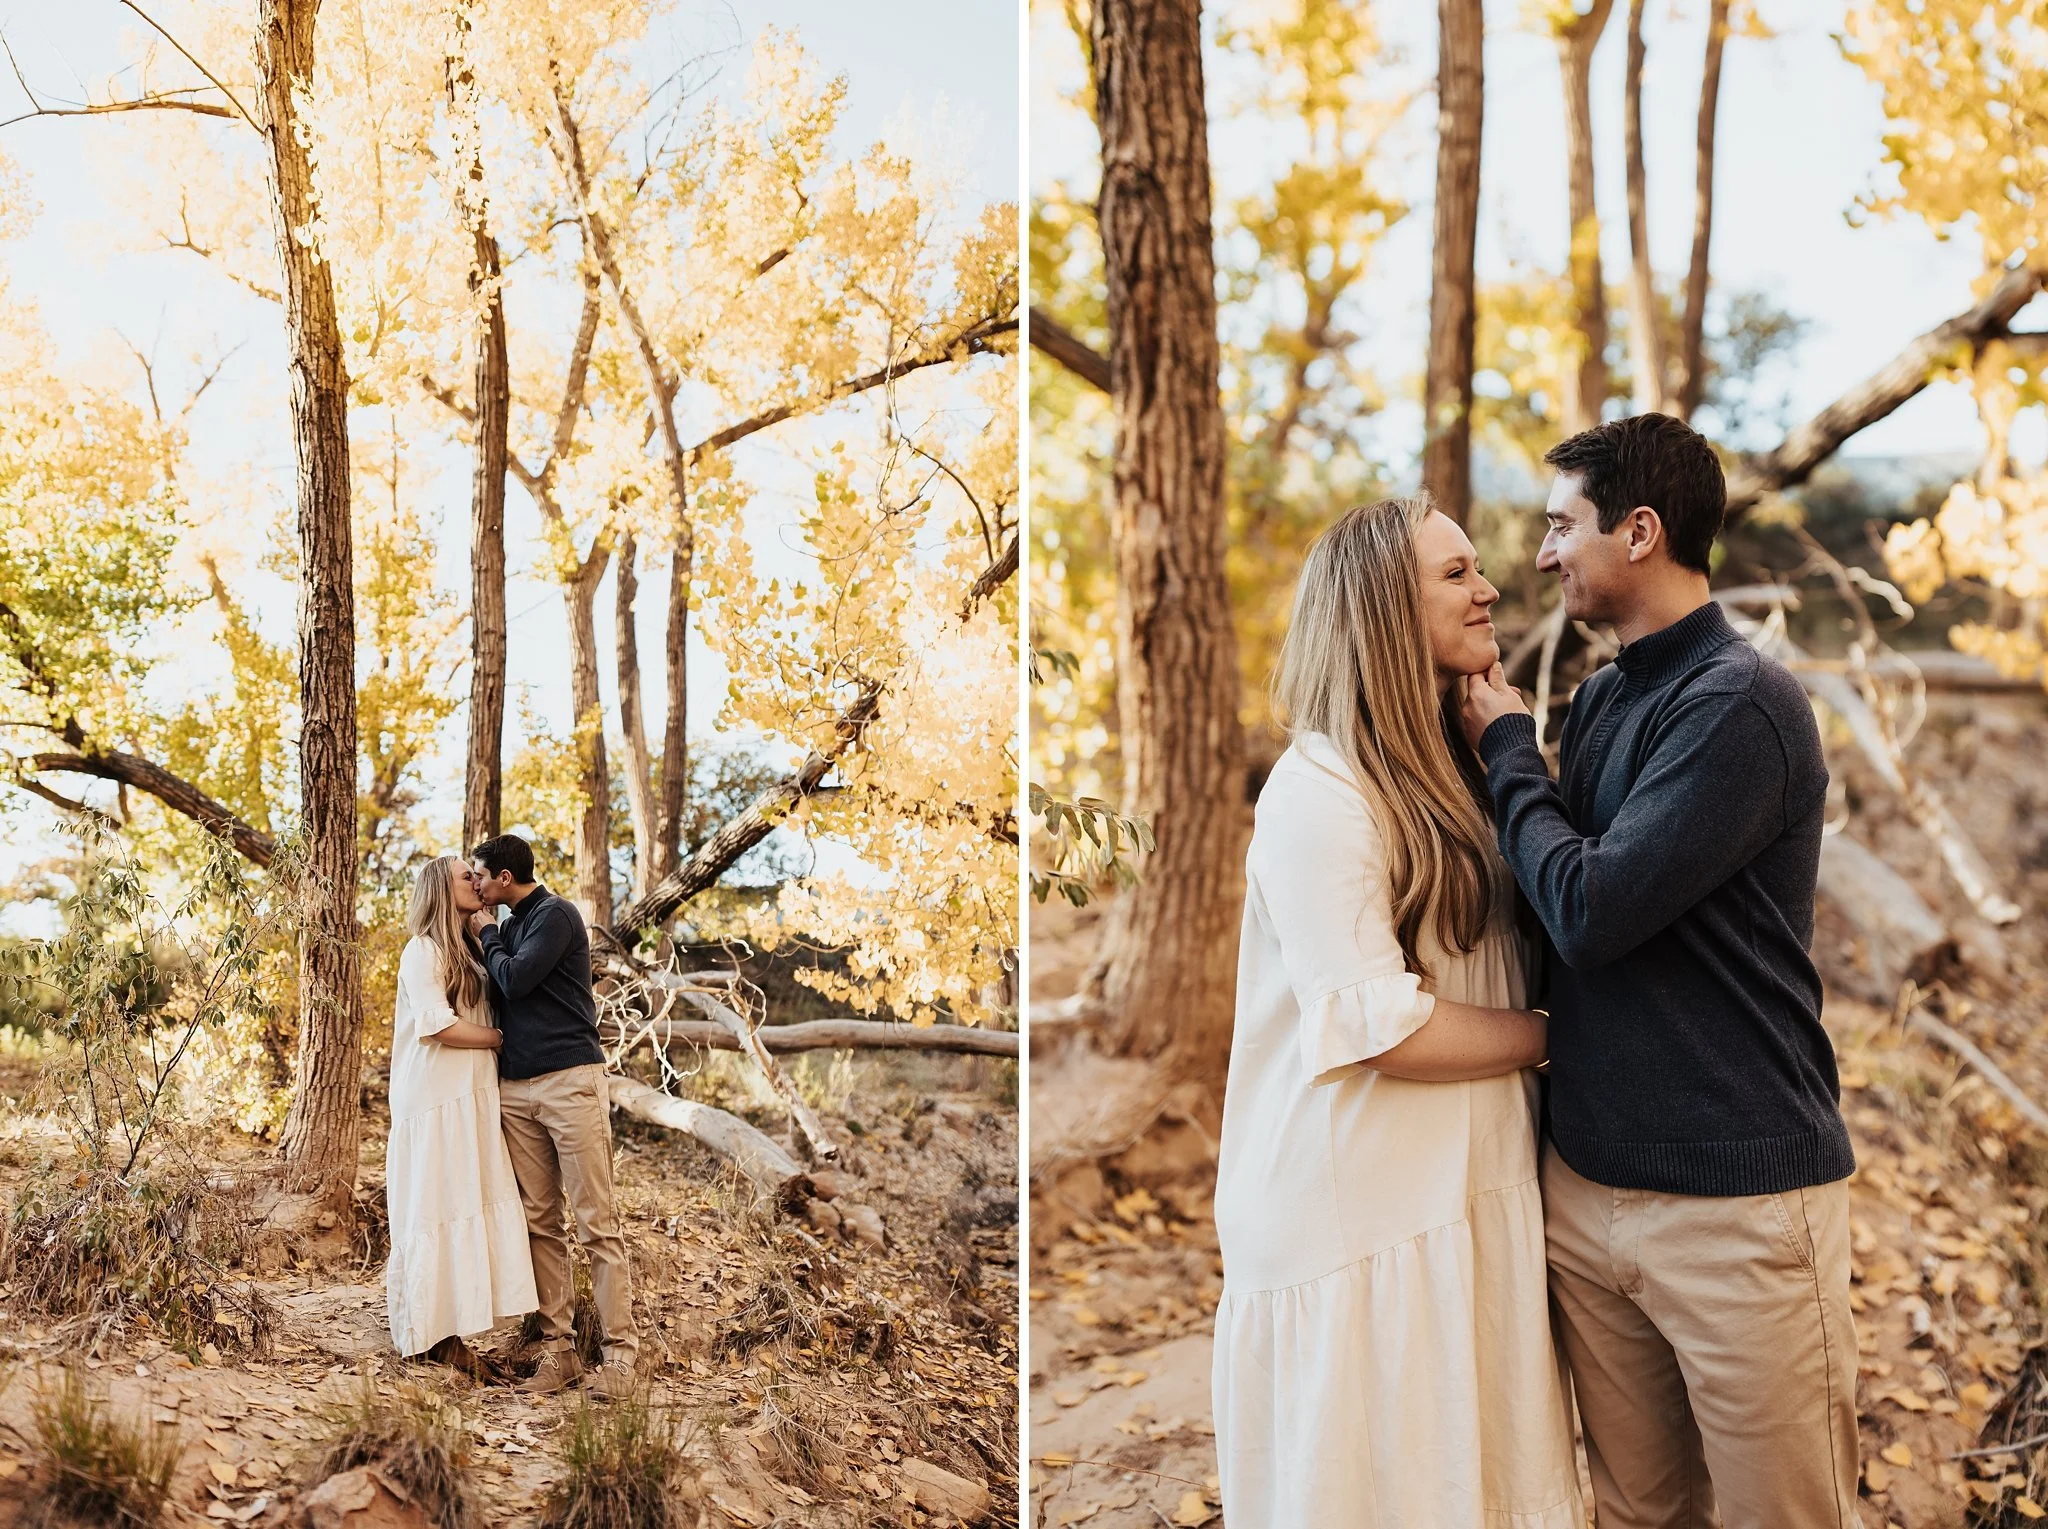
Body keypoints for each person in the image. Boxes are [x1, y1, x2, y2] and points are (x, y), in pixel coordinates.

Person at [1459, 412, 1858, 1529]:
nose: (1541, 555)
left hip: (1736, 1210)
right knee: (1638, 1514)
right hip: (1586, 1193)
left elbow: (1590, 909)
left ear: (1638, 531)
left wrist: (1506, 752)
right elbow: (1545, 902)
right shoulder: (1600, 702)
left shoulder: (1737, 705)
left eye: (1559, 527)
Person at [1213, 495, 1582, 1528]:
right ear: (1380, 606)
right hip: (1357, 1214)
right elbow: (1380, 1026)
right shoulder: (1317, 788)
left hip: (1465, 1188)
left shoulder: (1467, 767)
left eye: (1477, 567)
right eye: (1454, 572)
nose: (1489, 586)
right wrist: (1568, 1045)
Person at [466, 834, 641, 1399]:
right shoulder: (512, 923)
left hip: (571, 1081)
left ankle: (621, 1356)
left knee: (596, 1221)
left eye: (482, 877)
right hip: (517, 1088)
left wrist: (487, 934)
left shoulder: (555, 915)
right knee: (541, 1220)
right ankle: (558, 1348)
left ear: (506, 878)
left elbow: (514, 978)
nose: (477, 886)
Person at [385, 857, 537, 1368]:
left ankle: (451, 1332)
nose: (477, 881)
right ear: (438, 888)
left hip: (471, 1094)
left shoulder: (472, 948)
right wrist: (501, 1039)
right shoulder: (421, 950)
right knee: (434, 1207)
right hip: (433, 1096)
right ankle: (427, 1334)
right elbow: (436, 1025)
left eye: (477, 875)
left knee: (462, 1202)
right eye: (464, 876)